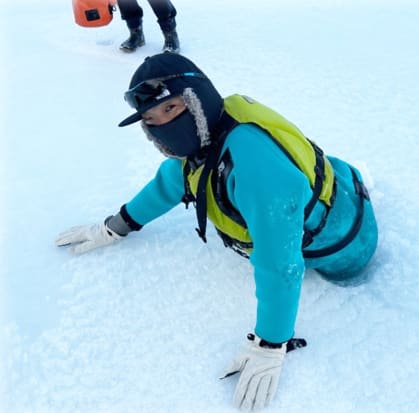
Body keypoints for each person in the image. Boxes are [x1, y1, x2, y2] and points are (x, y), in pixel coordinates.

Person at [55, 52, 378, 411]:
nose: (162, 124)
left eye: (171, 108)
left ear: (198, 97)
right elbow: (174, 179)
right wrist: (116, 226)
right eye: (151, 118)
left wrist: (271, 344)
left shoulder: (254, 167)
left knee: (346, 261)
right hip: (326, 181)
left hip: (344, 242)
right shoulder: (211, 135)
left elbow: (280, 264)